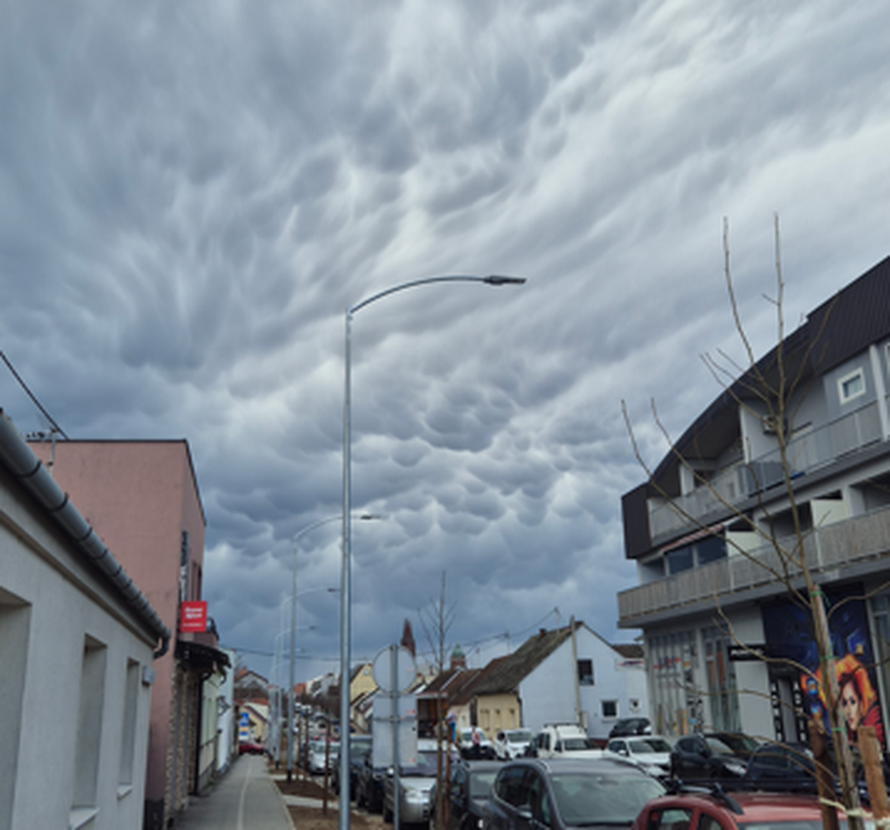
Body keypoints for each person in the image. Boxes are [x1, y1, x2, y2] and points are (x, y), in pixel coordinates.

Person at [836, 654, 885, 747]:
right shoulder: (846, 733)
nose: (848, 711)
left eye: (853, 702)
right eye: (845, 703)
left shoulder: (875, 730)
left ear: (862, 704)